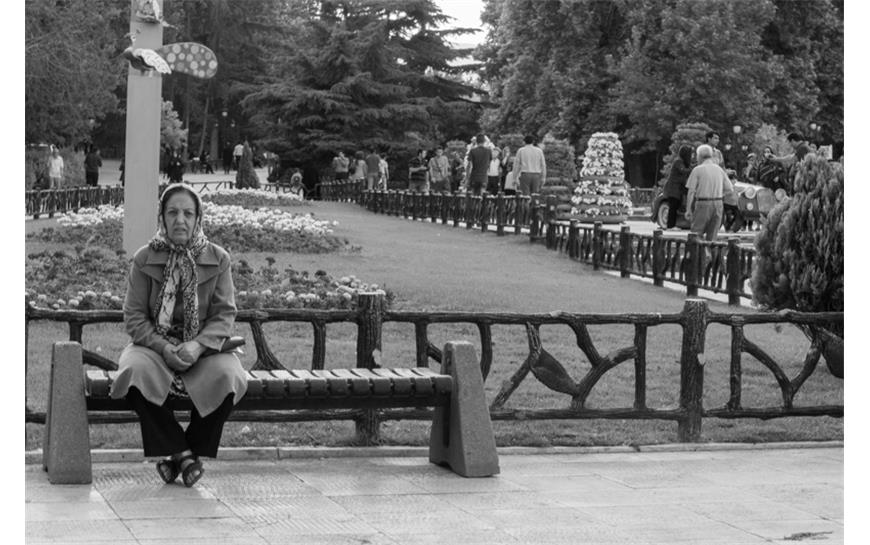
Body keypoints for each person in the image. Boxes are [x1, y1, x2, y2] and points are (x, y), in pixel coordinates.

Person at [109, 184, 247, 487]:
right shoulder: (145, 258)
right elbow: (134, 317)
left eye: (188, 213)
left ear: (198, 218)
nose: (180, 220)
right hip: (153, 346)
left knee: (230, 377)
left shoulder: (218, 258)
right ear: (162, 217)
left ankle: (180, 454)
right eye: (172, 212)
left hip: (204, 348)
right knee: (133, 372)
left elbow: (224, 315)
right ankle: (185, 456)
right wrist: (162, 347)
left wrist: (197, 346)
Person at [685, 144, 735, 242]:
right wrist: (719, 194)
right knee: (712, 237)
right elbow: (730, 189)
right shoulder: (719, 170)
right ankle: (710, 252)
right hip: (718, 203)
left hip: (703, 203)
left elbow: (691, 192)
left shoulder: (697, 170)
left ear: (699, 156)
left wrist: (688, 210)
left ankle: (697, 252)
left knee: (696, 234)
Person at [662, 145, 693, 229]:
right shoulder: (678, 161)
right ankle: (670, 226)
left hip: (677, 189)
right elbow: (683, 171)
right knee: (673, 207)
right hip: (673, 189)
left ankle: (673, 224)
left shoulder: (681, 162)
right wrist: (693, 168)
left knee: (675, 207)